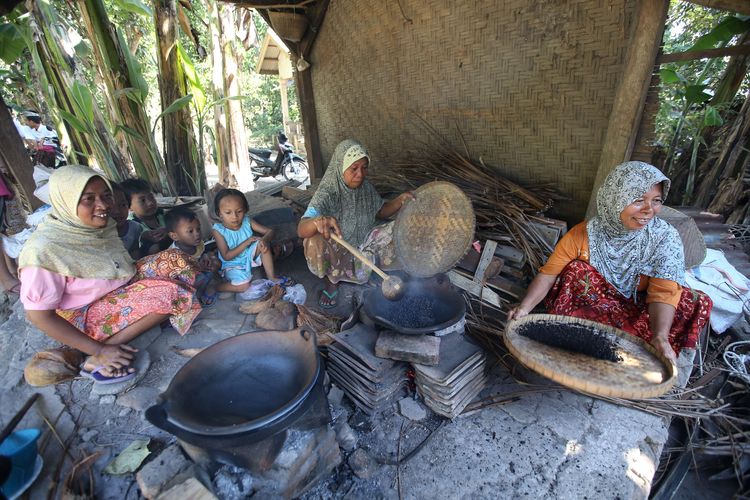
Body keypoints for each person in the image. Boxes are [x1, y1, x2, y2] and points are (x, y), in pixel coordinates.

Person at [507, 161, 713, 363]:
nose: (649, 209)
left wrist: (660, 335)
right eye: (638, 200)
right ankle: (586, 341)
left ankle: (645, 348)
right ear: (615, 199)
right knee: (575, 271)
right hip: (597, 309)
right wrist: (524, 308)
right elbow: (549, 274)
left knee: (695, 301)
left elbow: (664, 291)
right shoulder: (584, 234)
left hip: (644, 313)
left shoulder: (664, 237)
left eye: (657, 200)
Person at [19, 165, 202, 384]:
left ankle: (142, 319)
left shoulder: (96, 227)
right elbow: (38, 316)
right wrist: (99, 350)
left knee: (177, 259)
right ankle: (94, 356)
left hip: (115, 290)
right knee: (172, 293)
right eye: (88, 199)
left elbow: (118, 267)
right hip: (81, 316)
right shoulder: (43, 250)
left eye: (106, 196)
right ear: (66, 200)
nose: (104, 205)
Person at [296, 139, 413, 308]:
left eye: (364, 167)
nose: (360, 174)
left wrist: (400, 200)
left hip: (366, 243)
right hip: (340, 249)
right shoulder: (328, 192)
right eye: (354, 168)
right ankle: (333, 280)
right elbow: (301, 229)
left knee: (399, 227)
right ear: (341, 167)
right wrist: (317, 222)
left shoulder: (365, 188)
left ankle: (377, 273)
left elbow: (380, 211)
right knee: (313, 240)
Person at [211, 188, 283, 293]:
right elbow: (226, 256)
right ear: (219, 213)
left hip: (248, 255)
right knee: (243, 286)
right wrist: (246, 242)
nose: (234, 217)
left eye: (239, 211)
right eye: (228, 212)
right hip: (232, 264)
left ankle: (271, 277)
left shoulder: (247, 221)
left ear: (245, 210)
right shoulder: (218, 231)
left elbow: (270, 231)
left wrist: (264, 240)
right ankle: (217, 287)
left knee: (263, 245)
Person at [165, 206, 219, 305]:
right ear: (174, 236)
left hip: (201, 273)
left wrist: (206, 257)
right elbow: (180, 278)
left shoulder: (198, 244)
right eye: (190, 231)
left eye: (198, 229)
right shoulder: (173, 255)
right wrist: (198, 268)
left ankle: (210, 286)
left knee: (215, 261)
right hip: (187, 283)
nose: (197, 234)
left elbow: (202, 254)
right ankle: (200, 296)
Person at [120, 177, 170, 255]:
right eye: (142, 200)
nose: (150, 203)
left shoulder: (163, 214)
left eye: (151, 197)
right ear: (128, 207)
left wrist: (169, 229)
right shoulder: (132, 225)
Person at [110, 182, 142, 260]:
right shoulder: (100, 236)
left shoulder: (135, 228)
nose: (117, 211)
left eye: (123, 205)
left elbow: (135, 251)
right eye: (111, 207)